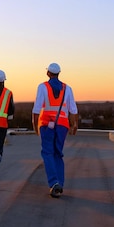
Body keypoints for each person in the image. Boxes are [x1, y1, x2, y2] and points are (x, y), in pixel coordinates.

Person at [32, 63, 79, 198]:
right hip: (62, 125)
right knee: (58, 154)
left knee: (47, 153)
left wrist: (34, 124)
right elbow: (73, 109)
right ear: (59, 73)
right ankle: (60, 183)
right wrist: (74, 125)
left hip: (46, 124)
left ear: (48, 73)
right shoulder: (67, 88)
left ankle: (54, 183)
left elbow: (36, 108)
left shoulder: (43, 87)